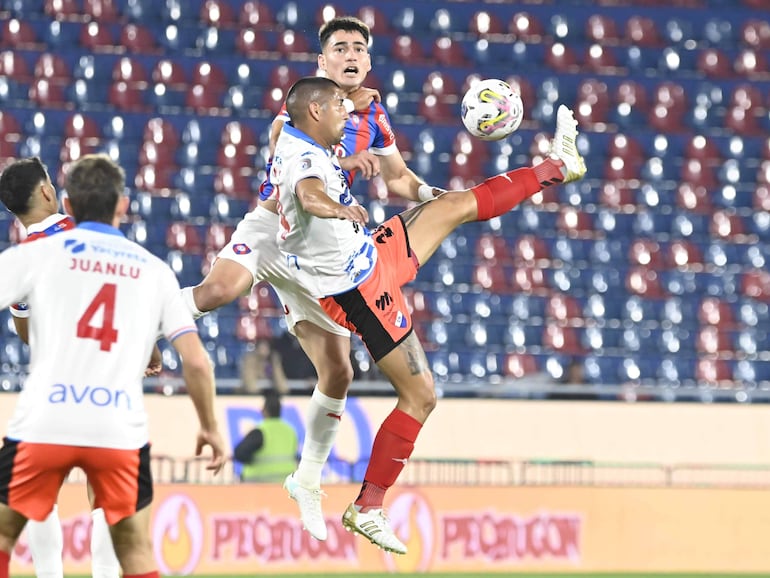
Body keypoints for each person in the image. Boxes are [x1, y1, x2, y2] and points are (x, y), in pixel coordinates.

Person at [271, 77, 587, 554]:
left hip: (367, 256)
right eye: (338, 105)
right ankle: (369, 507)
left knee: (453, 204)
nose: (345, 111)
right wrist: (339, 208)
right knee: (420, 395)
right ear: (315, 112)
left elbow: (317, 157)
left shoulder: (297, 137)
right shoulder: (305, 158)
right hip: (359, 289)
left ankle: (558, 165)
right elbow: (311, 192)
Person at [179, 16, 445, 542]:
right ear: (322, 62)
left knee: (339, 373)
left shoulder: (375, 116)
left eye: (358, 48)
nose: (350, 53)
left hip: (324, 254)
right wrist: (348, 155)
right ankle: (144, 322)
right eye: (339, 47)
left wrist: (436, 200)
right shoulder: (308, 102)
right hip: (275, 229)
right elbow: (284, 139)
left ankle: (306, 479)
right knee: (218, 291)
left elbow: (396, 177)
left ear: (368, 61)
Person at [0, 153, 225, 578]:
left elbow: (30, 334)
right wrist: (150, 352)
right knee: (131, 542)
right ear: (51, 194)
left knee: (18, 516)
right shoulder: (147, 265)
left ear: (66, 198)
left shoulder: (30, 254)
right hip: (115, 414)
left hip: (49, 408)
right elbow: (195, 359)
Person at [0, 156, 158, 578]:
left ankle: (49, 574)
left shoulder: (24, 256)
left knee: (33, 492)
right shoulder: (88, 233)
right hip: (108, 386)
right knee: (108, 492)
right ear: (50, 193)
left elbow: (24, 327)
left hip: (52, 390)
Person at [233, 392, 298, 482]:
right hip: (284, 483)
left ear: (264, 410)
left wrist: (252, 460)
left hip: (260, 484)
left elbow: (239, 452)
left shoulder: (261, 430)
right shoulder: (290, 431)